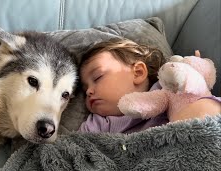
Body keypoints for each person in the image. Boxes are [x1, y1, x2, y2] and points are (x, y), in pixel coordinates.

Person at [79, 38, 221, 133]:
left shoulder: (167, 90)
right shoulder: (99, 124)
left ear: (138, 73)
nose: (89, 92)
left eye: (98, 77)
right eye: (85, 89)